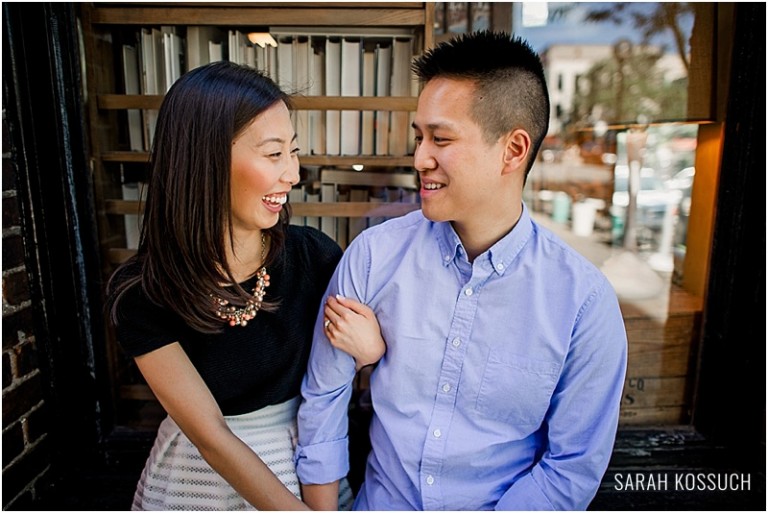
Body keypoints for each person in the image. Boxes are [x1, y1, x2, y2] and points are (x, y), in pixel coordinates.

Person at [295, 31, 628, 510]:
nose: (419, 159)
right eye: (419, 137)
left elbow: (572, 466)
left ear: (513, 151)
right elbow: (323, 397)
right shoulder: (374, 256)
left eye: (441, 138)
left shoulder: (583, 302)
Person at [107, 61, 383, 510]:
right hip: (197, 483)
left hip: (307, 469)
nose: (292, 174)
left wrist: (370, 356)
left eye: (292, 152)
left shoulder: (312, 256)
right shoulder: (143, 292)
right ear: (206, 160)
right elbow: (211, 435)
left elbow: (357, 382)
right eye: (274, 154)